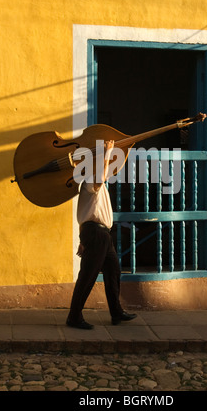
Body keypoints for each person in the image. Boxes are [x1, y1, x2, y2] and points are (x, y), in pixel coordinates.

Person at [66, 140, 137, 329]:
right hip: (96, 234)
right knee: (87, 277)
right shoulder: (91, 180)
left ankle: (117, 313)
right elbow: (100, 178)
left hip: (101, 235)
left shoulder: (94, 184)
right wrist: (107, 153)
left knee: (113, 272)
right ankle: (74, 317)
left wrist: (83, 240)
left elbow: (87, 213)